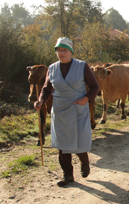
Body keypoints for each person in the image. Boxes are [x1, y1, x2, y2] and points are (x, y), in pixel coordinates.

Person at [34, 37, 99, 187]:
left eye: (64, 50)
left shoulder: (82, 66)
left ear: (70, 51)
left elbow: (95, 87)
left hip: (78, 109)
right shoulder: (52, 68)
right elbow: (46, 88)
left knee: (79, 142)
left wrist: (86, 99)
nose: (61, 53)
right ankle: (68, 175)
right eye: (59, 50)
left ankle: (85, 162)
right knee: (63, 146)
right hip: (60, 110)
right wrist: (41, 101)